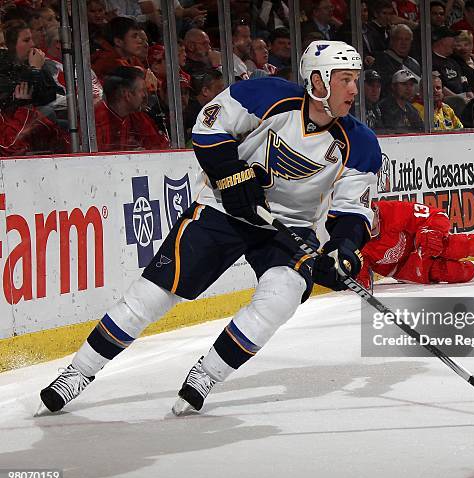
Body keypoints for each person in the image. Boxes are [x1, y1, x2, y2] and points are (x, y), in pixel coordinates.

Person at [38, 40, 382, 417]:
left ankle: (206, 375)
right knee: (153, 294)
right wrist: (232, 176)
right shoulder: (264, 95)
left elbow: (352, 209)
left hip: (289, 226)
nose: (353, 89)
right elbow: (209, 127)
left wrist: (344, 247)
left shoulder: (361, 143)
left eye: (355, 79)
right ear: (318, 80)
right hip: (223, 210)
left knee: (283, 294)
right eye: (345, 79)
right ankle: (78, 372)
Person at [356, 200, 474, 290]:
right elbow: (361, 272)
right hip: (404, 269)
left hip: (419, 243)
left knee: (453, 245)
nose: (373, 227)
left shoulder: (393, 211)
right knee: (448, 272)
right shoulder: (354, 239)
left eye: (374, 218)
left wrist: (431, 231)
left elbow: (437, 215)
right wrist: (358, 277)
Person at [94, 66, 170, 151]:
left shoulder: (138, 117)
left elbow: (161, 147)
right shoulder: (97, 120)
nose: (145, 96)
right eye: (141, 90)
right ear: (126, 94)